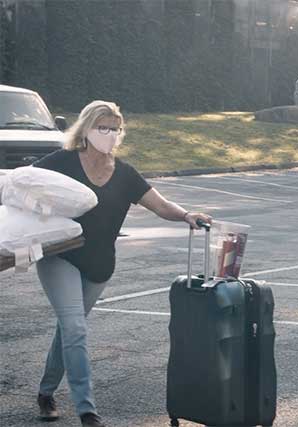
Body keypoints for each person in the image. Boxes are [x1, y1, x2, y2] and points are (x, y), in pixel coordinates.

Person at [32, 100, 212, 427]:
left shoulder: (125, 174)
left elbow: (159, 204)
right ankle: (87, 411)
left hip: (99, 266)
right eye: (103, 127)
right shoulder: (63, 161)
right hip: (61, 256)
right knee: (74, 327)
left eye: (116, 128)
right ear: (86, 130)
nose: (110, 134)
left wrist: (187, 216)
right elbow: (23, 183)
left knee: (68, 330)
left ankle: (46, 392)